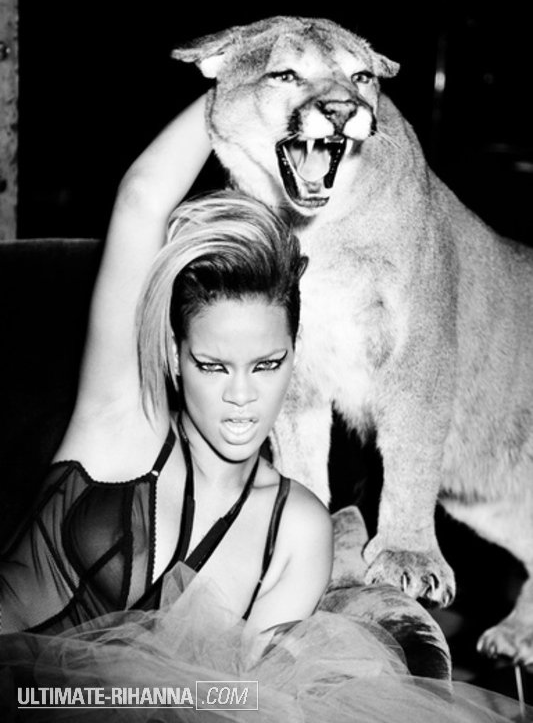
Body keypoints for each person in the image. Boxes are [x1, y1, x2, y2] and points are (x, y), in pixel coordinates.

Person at [0, 95, 531, 723]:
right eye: (213, 365)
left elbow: (240, 699)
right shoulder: (119, 419)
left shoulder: (299, 526)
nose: (242, 398)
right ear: (173, 355)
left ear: (296, 356)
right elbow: (142, 197)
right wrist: (256, 79)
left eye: (268, 364)